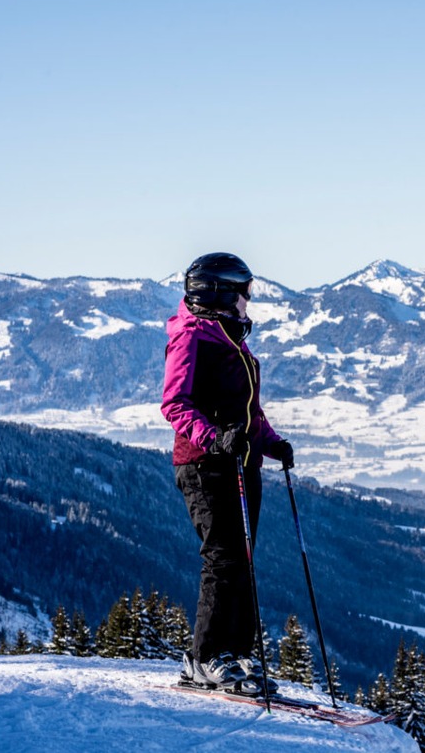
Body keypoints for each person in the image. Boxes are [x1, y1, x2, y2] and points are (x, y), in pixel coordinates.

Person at [161, 252, 295, 691]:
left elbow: (248, 410)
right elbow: (175, 404)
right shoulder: (192, 337)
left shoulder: (229, 336)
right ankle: (204, 658)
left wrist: (272, 443)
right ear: (219, 292)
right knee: (221, 559)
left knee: (242, 560)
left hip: (242, 461)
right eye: (244, 291)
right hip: (205, 465)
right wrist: (215, 437)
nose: (248, 301)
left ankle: (236, 654)